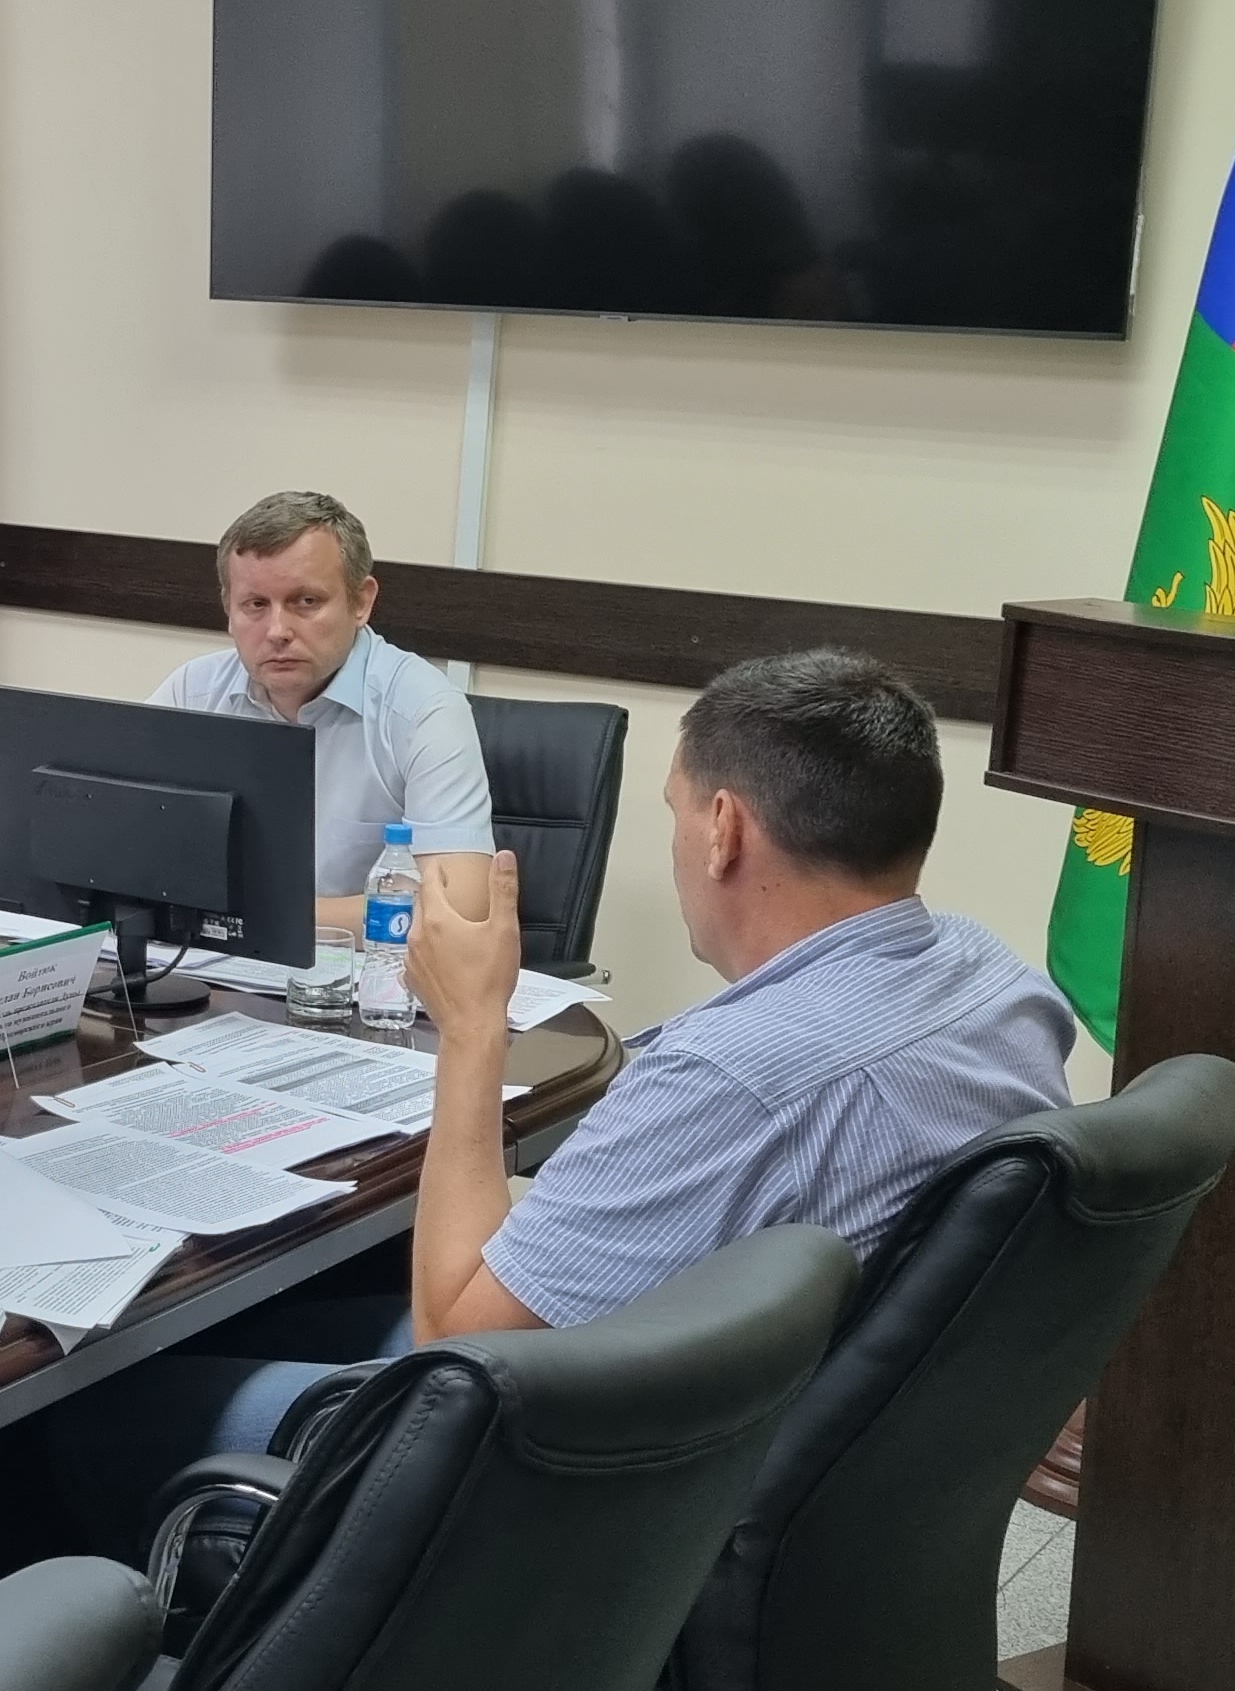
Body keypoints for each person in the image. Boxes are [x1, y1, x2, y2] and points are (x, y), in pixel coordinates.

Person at [52, 649, 1073, 1547]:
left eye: (675, 812)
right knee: (255, 1320)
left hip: (587, 1475)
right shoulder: (1000, 982)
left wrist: (472, 1028)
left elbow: (459, 1341)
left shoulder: (732, 1078)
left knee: (80, 1407)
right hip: (802, 1454)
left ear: (723, 829)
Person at [149, 490, 496, 928]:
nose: (277, 631)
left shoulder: (423, 710)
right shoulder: (193, 695)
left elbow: (460, 903)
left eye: (306, 602)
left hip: (361, 966)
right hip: (213, 959)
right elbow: (119, 840)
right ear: (228, 608)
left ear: (361, 601)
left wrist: (261, 919)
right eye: (256, 605)